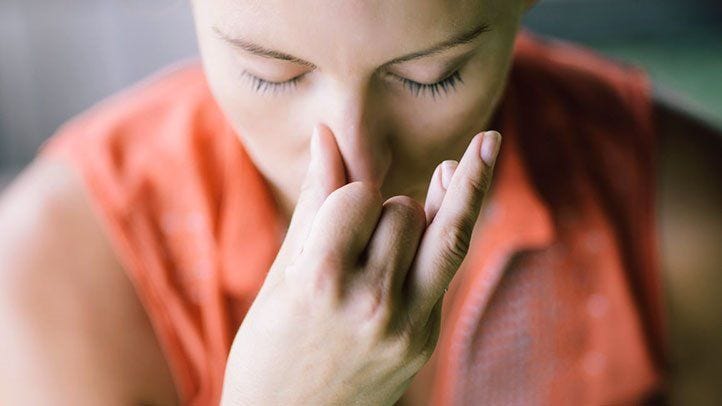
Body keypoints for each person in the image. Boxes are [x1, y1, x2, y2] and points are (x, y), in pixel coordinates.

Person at [1, 0, 720, 404]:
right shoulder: (54, 276)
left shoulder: (681, 225)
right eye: (272, 75)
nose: (354, 169)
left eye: (433, 78)